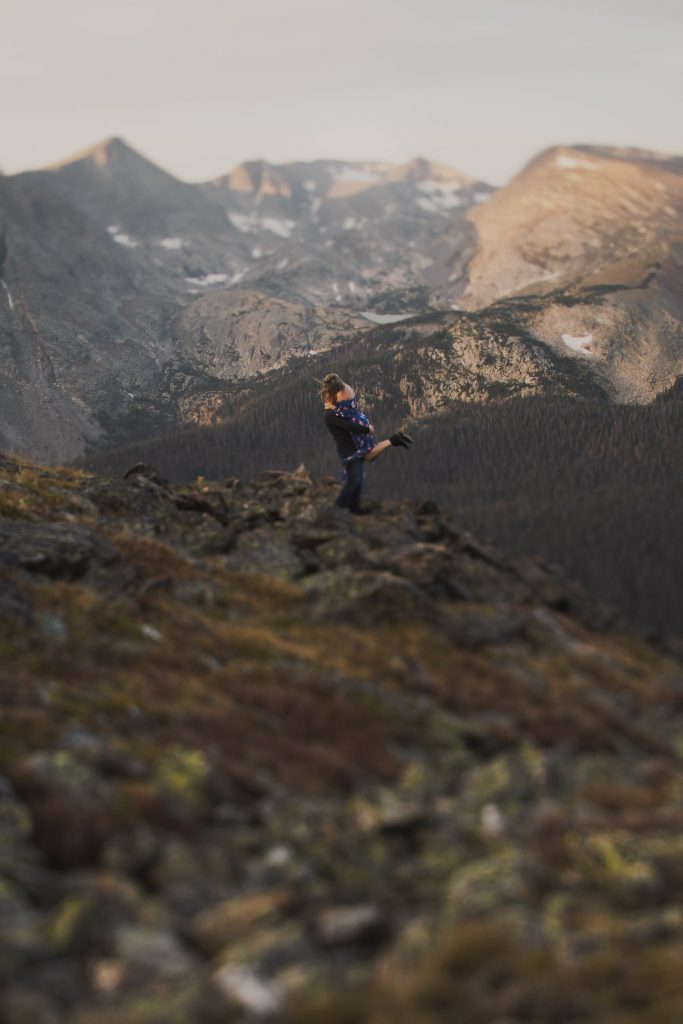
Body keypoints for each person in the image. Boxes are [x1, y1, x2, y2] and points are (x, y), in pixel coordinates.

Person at [320, 372, 413, 514]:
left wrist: (366, 430)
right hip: (360, 420)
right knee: (366, 460)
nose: (325, 401)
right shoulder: (345, 389)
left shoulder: (331, 413)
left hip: (352, 441)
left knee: (355, 478)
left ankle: (338, 508)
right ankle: (354, 507)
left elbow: (348, 426)